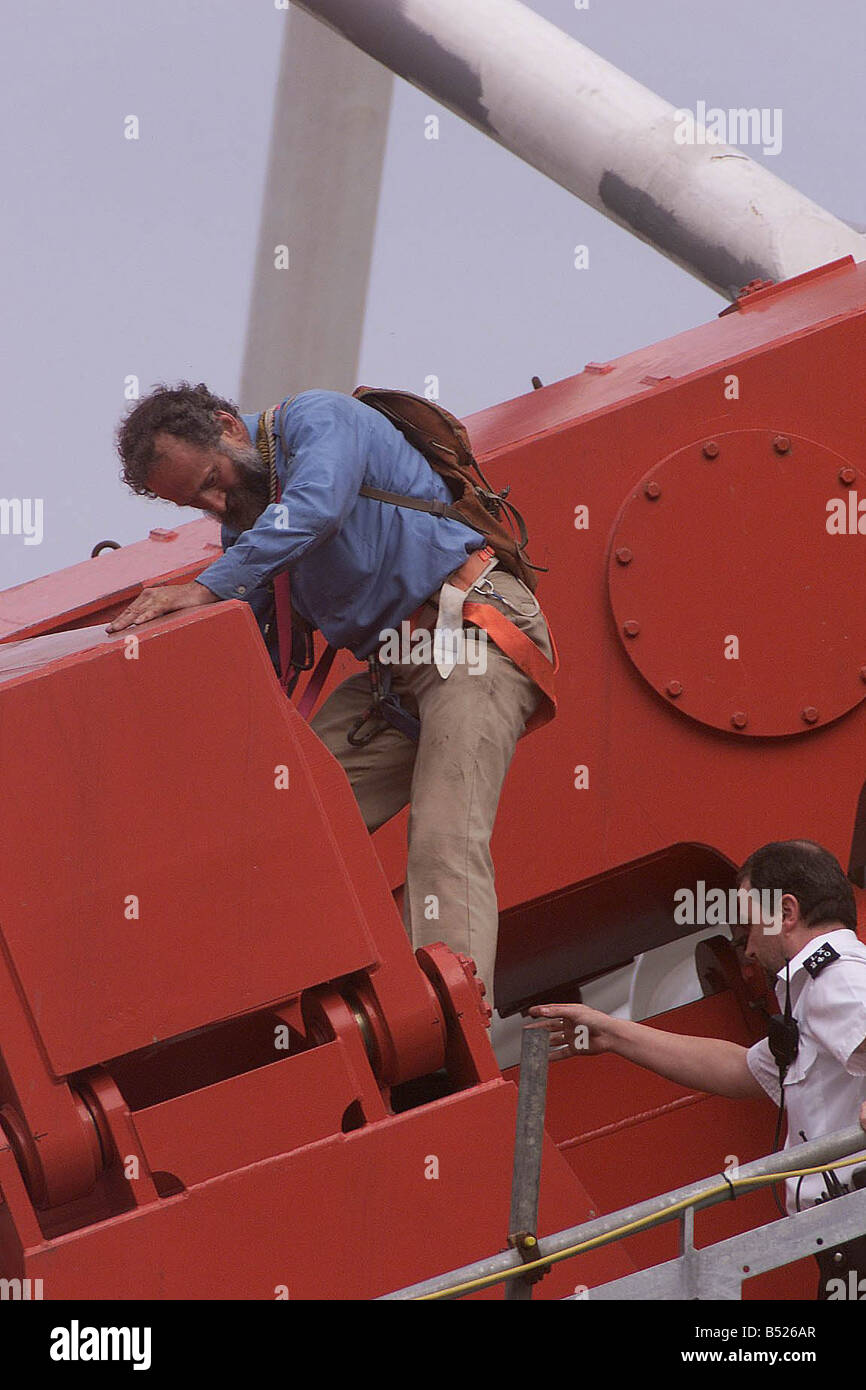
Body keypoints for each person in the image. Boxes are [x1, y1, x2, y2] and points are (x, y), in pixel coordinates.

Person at [109, 382, 554, 1003]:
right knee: (282, 823)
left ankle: (456, 1013)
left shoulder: (321, 419)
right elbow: (259, 643)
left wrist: (206, 587)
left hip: (469, 631)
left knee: (444, 831)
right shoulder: (249, 520)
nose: (215, 501)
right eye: (196, 501)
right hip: (394, 674)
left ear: (228, 426)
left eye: (213, 479)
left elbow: (318, 505)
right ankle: (307, 1004)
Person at [529, 839, 866, 1298]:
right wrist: (614, 1034)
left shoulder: (837, 977)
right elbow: (741, 1071)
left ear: (787, 912)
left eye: (748, 926)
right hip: (844, 1234)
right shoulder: (816, 988)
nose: (745, 949)